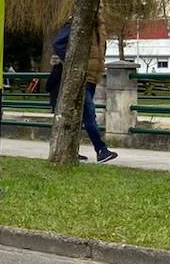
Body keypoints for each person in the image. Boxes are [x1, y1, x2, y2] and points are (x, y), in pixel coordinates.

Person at [47, 17, 117, 163]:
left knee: (79, 116)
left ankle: (71, 150)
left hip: (92, 77)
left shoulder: (99, 29)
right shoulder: (78, 21)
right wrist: (73, 63)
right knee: (89, 113)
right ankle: (101, 150)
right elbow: (58, 43)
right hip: (80, 76)